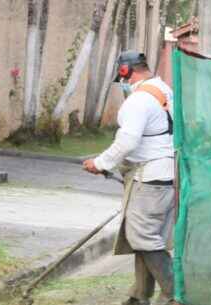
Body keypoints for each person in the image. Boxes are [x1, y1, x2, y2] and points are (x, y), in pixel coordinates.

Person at [83, 51, 178, 305]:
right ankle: (139, 296)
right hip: (165, 176)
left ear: (125, 71)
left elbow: (128, 140)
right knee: (147, 237)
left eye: (121, 76)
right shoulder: (165, 91)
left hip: (150, 179)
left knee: (142, 237)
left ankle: (176, 294)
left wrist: (100, 162)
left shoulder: (138, 100)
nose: (122, 81)